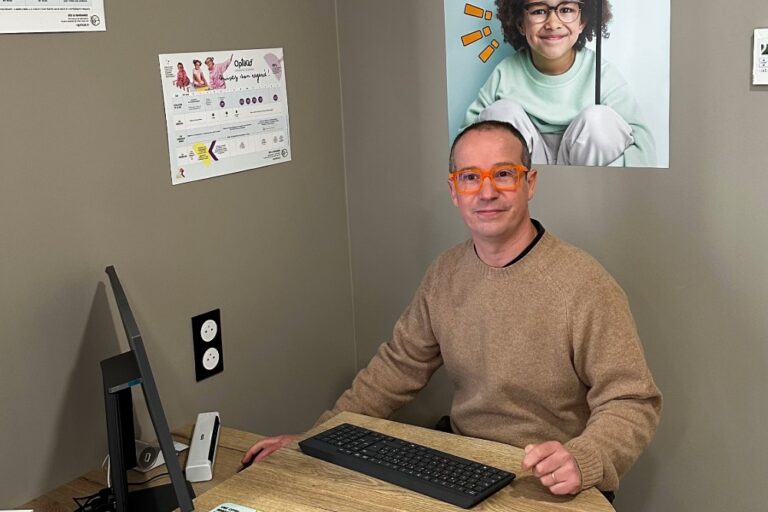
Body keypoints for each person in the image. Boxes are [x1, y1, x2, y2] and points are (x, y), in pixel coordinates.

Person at [242, 120, 661, 498]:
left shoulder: (584, 285)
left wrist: (585, 458)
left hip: (546, 480)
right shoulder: (445, 273)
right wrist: (314, 437)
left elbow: (632, 400)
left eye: (503, 174)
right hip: (462, 464)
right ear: (454, 190)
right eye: (470, 177)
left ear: (530, 182)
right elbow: (397, 368)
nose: (487, 192)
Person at [464, 0, 656, 167]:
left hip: (587, 183)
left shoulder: (602, 74)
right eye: (539, 11)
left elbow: (644, 149)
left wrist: (606, 177)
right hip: (526, 181)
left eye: (566, 10)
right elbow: (465, 141)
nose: (553, 23)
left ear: (582, 21)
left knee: (599, 120)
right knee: (501, 114)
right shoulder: (505, 73)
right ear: (521, 23)